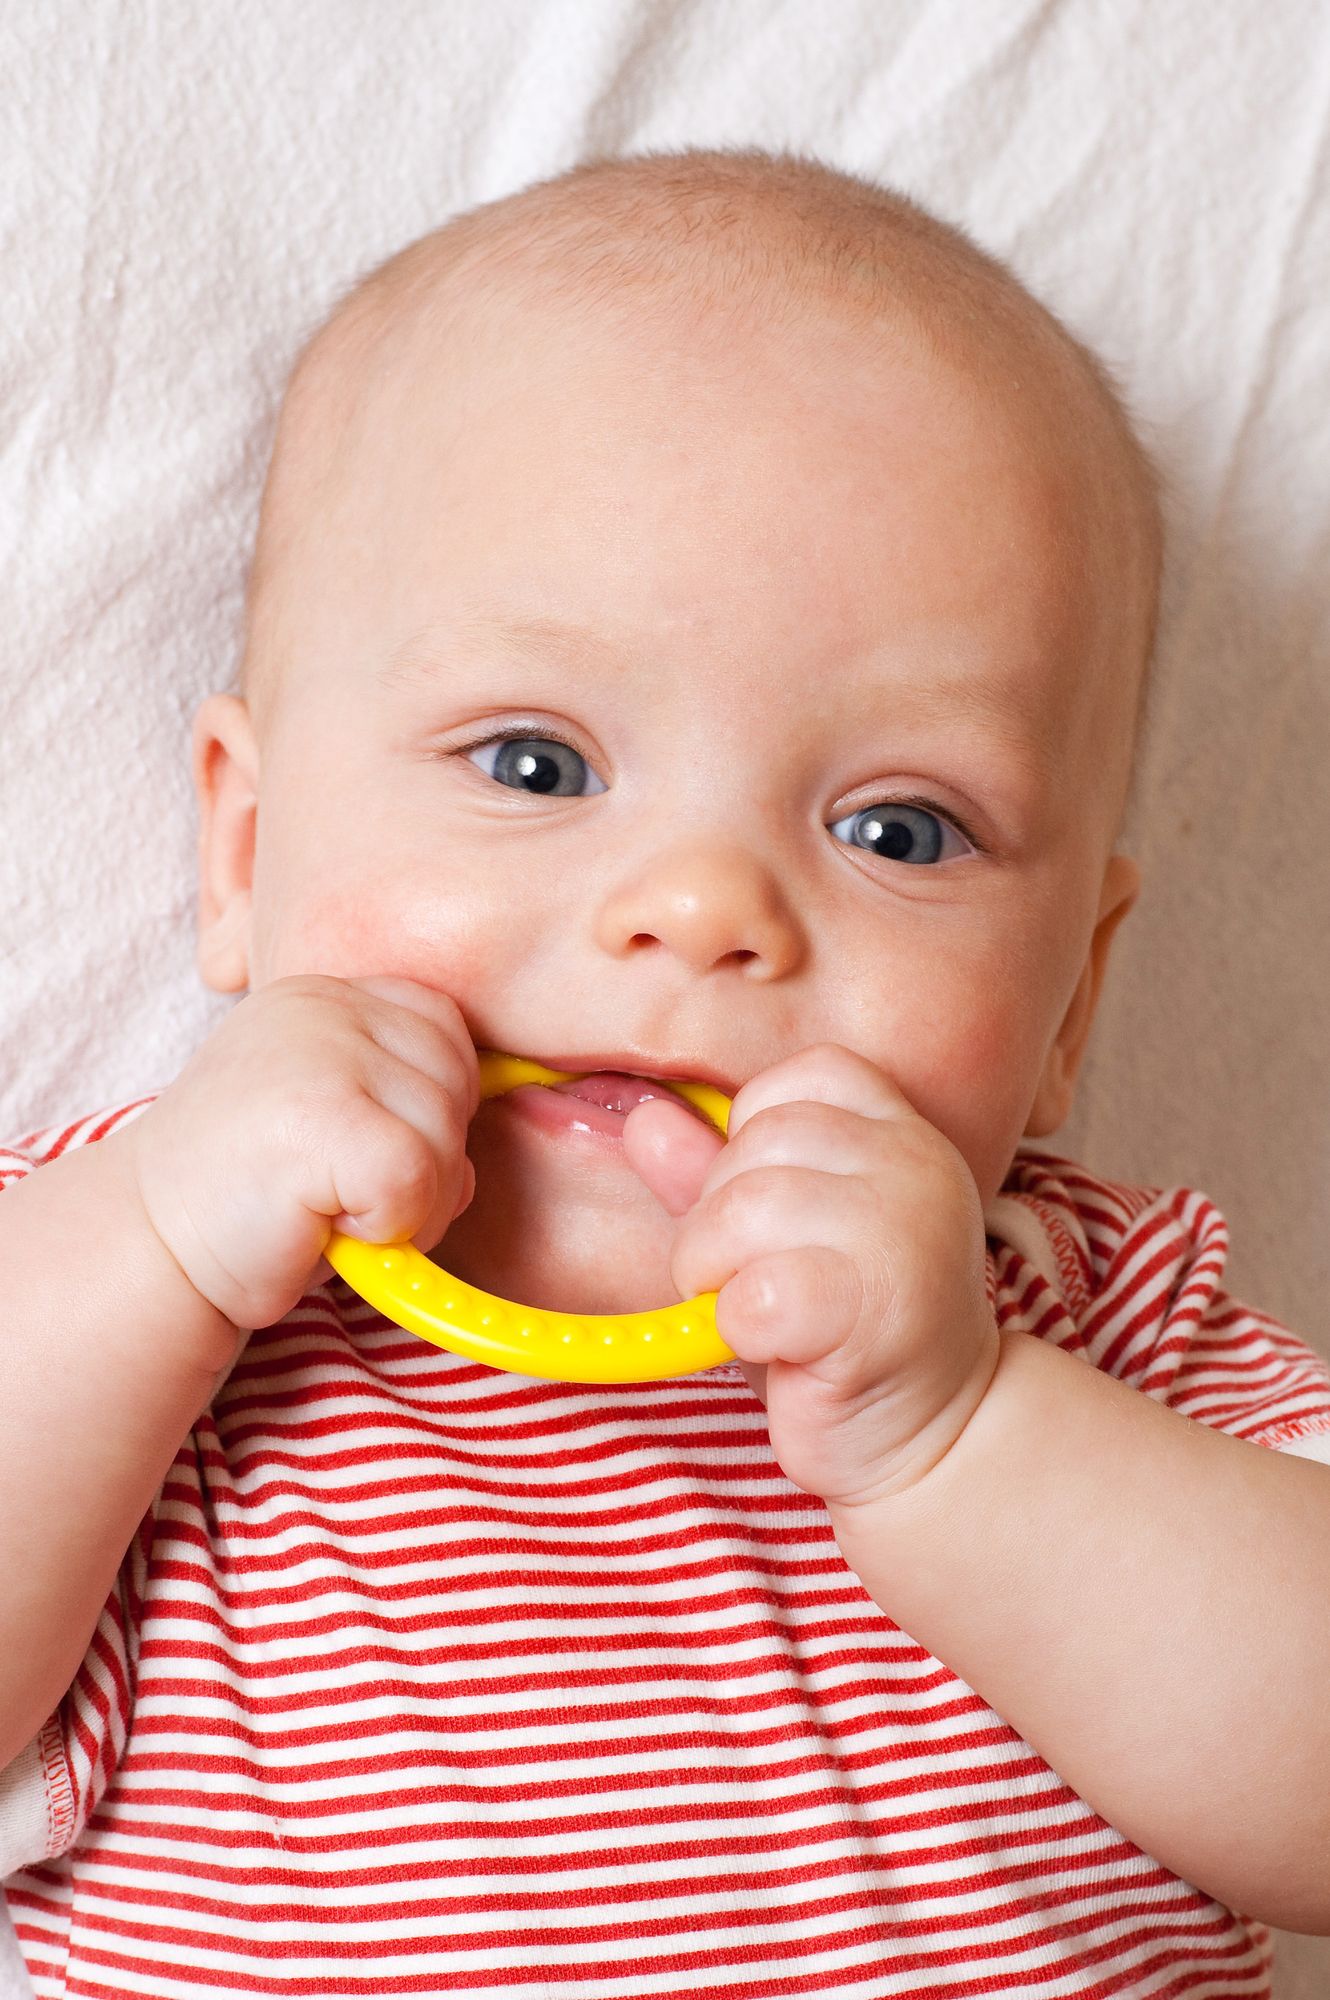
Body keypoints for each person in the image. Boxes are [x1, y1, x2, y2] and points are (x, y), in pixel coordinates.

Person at [3, 146, 1328, 1998]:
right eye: (534, 763)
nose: (702, 908)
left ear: (1071, 1002)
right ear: (242, 852)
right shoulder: (116, 1283)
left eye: (901, 826)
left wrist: (952, 1434)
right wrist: (148, 1250)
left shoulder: (1086, 1323)